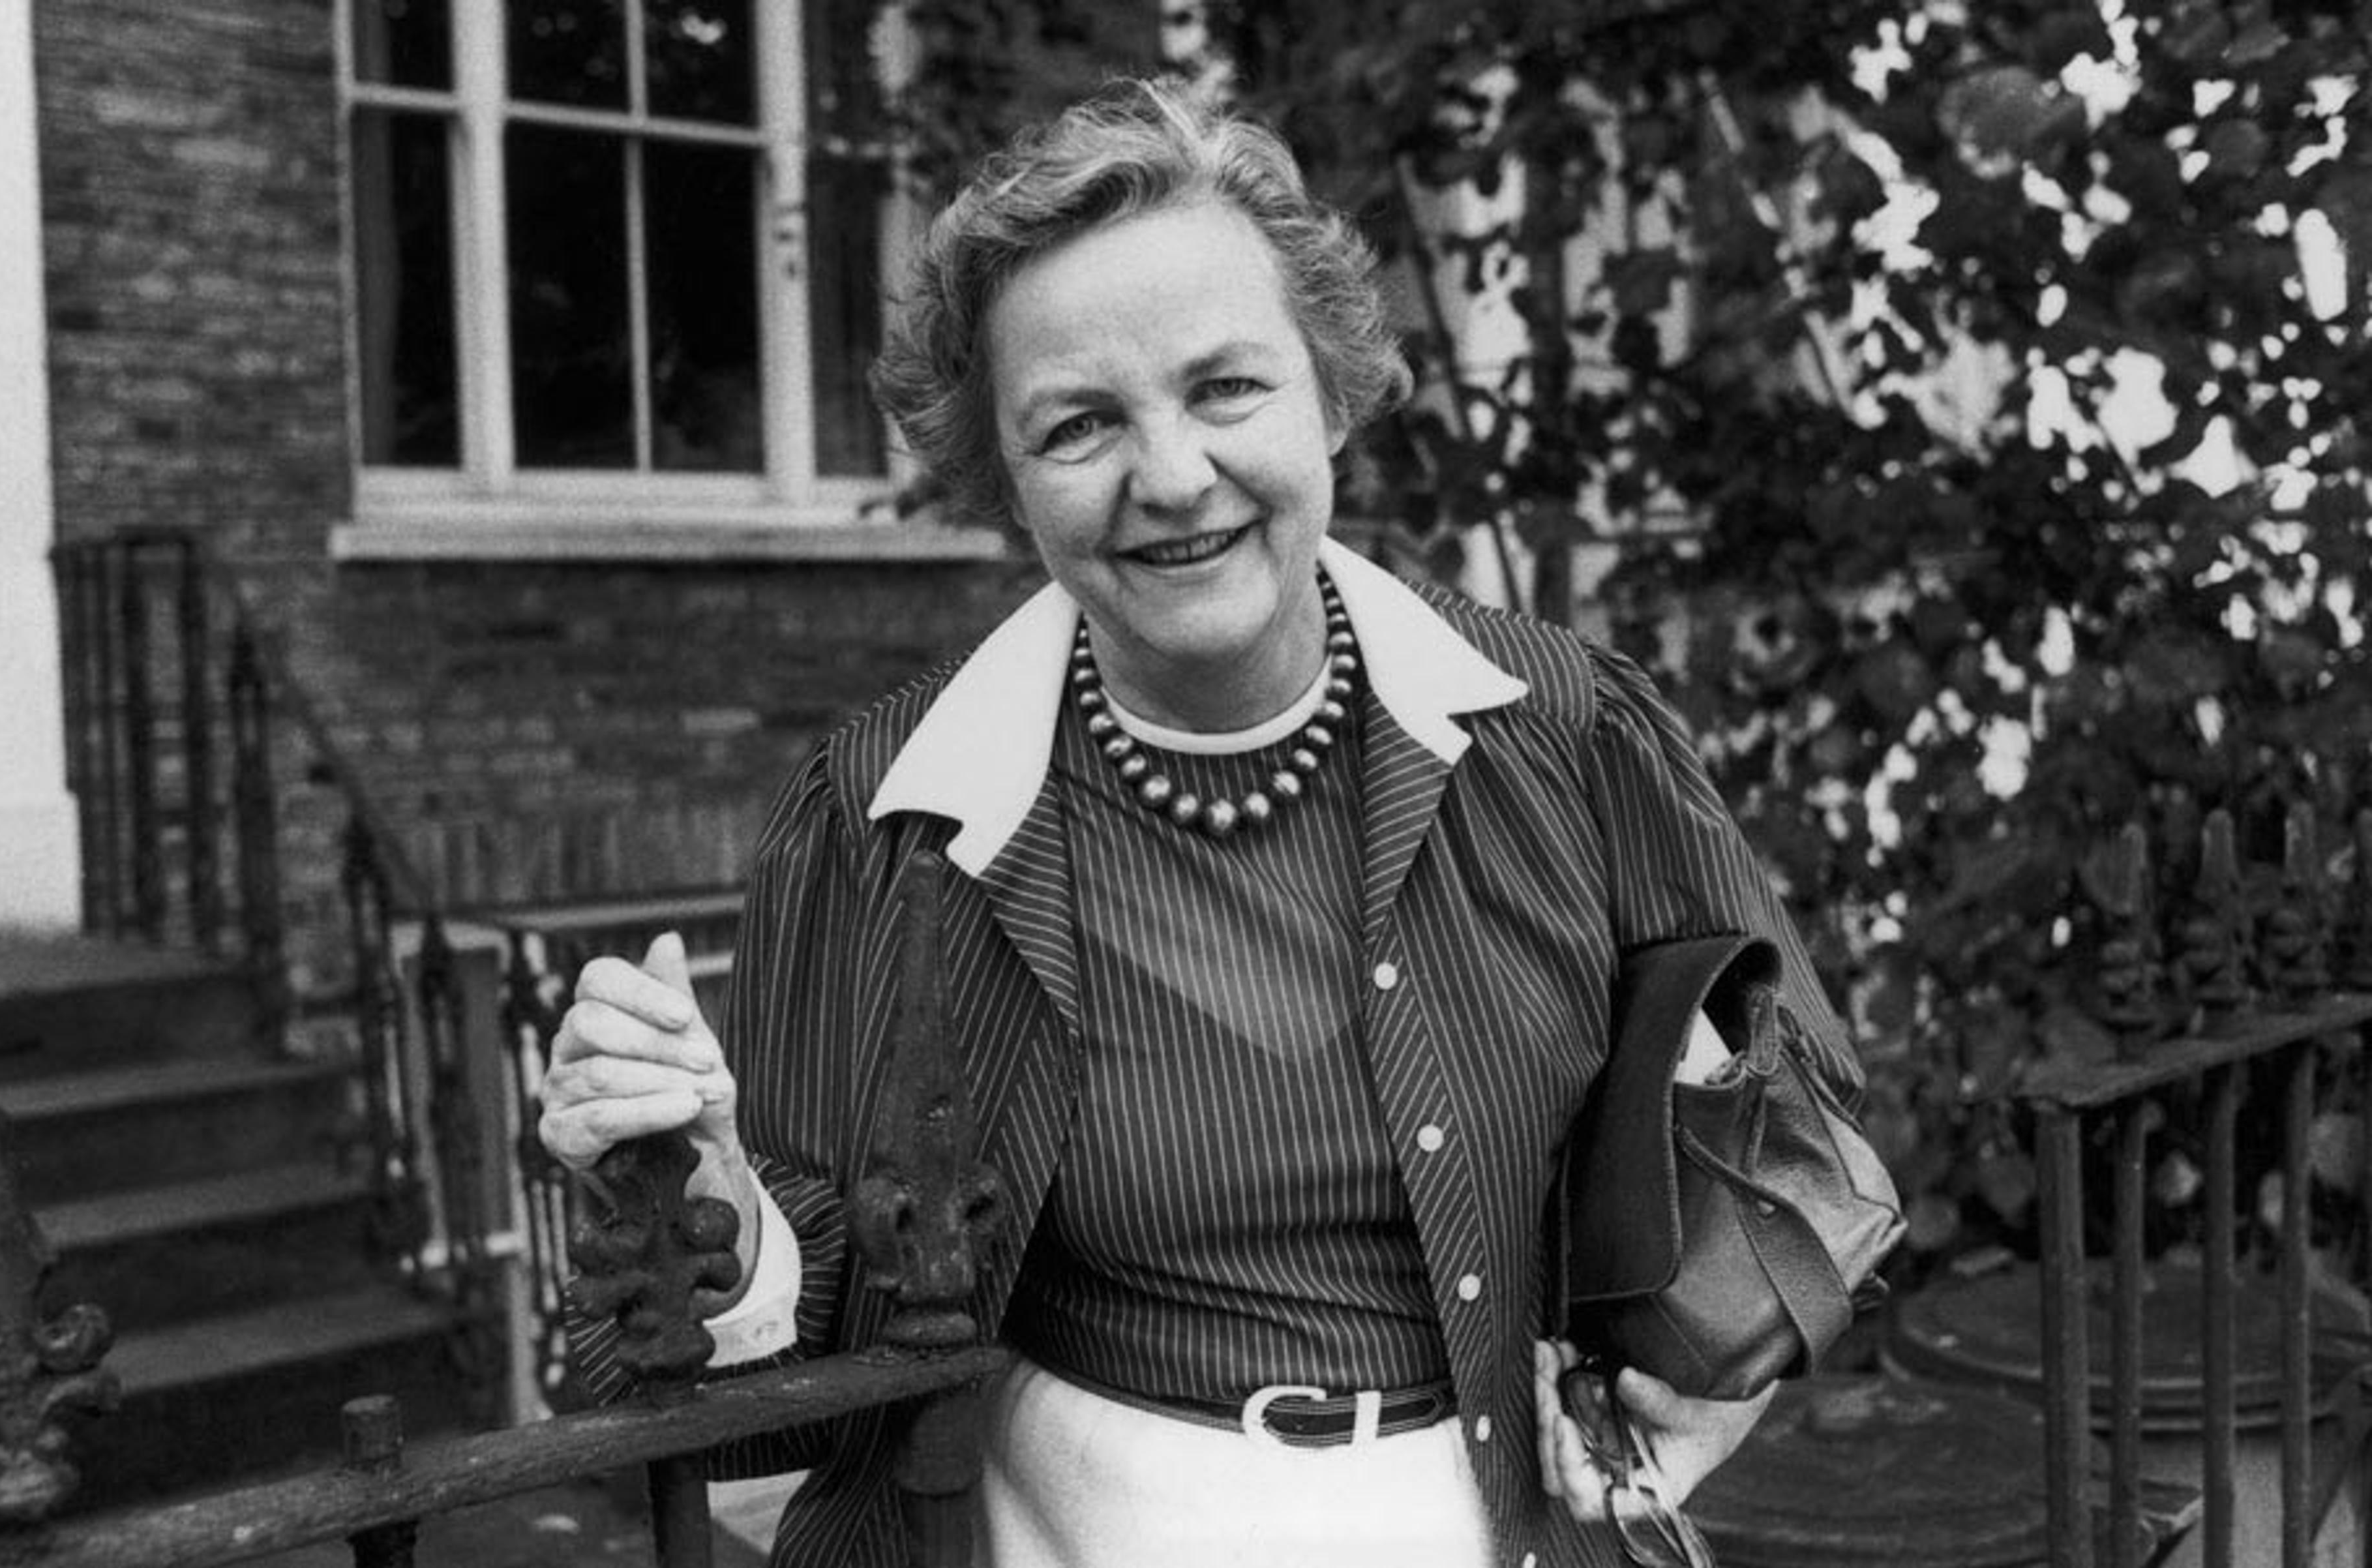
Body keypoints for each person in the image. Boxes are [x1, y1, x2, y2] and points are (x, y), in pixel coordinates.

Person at [536, 75, 1864, 1567]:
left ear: (1331, 386)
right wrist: (713, 1192)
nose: (1171, 478)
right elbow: (789, 1395)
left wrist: (1719, 1373)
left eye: (1227, 386)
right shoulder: (879, 814)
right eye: (1079, 424)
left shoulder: (1564, 730)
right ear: (1004, 478)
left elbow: (1794, 1091)